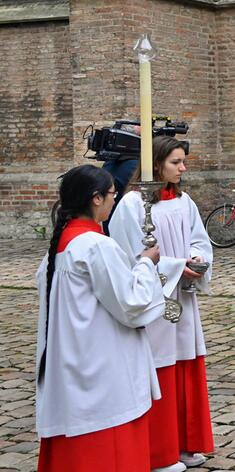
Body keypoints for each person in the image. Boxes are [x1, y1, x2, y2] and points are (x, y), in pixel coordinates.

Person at [36, 165, 164, 472]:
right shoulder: (96, 246)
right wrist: (146, 266)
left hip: (72, 364)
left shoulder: (59, 247)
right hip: (102, 371)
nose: (114, 200)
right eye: (111, 194)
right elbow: (132, 305)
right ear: (95, 199)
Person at [109, 137, 216, 471]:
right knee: (160, 368)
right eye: (176, 162)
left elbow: (199, 238)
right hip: (153, 301)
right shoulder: (131, 205)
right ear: (155, 164)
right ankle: (158, 452)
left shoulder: (184, 201)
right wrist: (172, 267)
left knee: (185, 363)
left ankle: (184, 443)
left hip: (182, 294)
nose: (183, 169)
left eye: (183, 162)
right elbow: (129, 255)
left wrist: (198, 258)